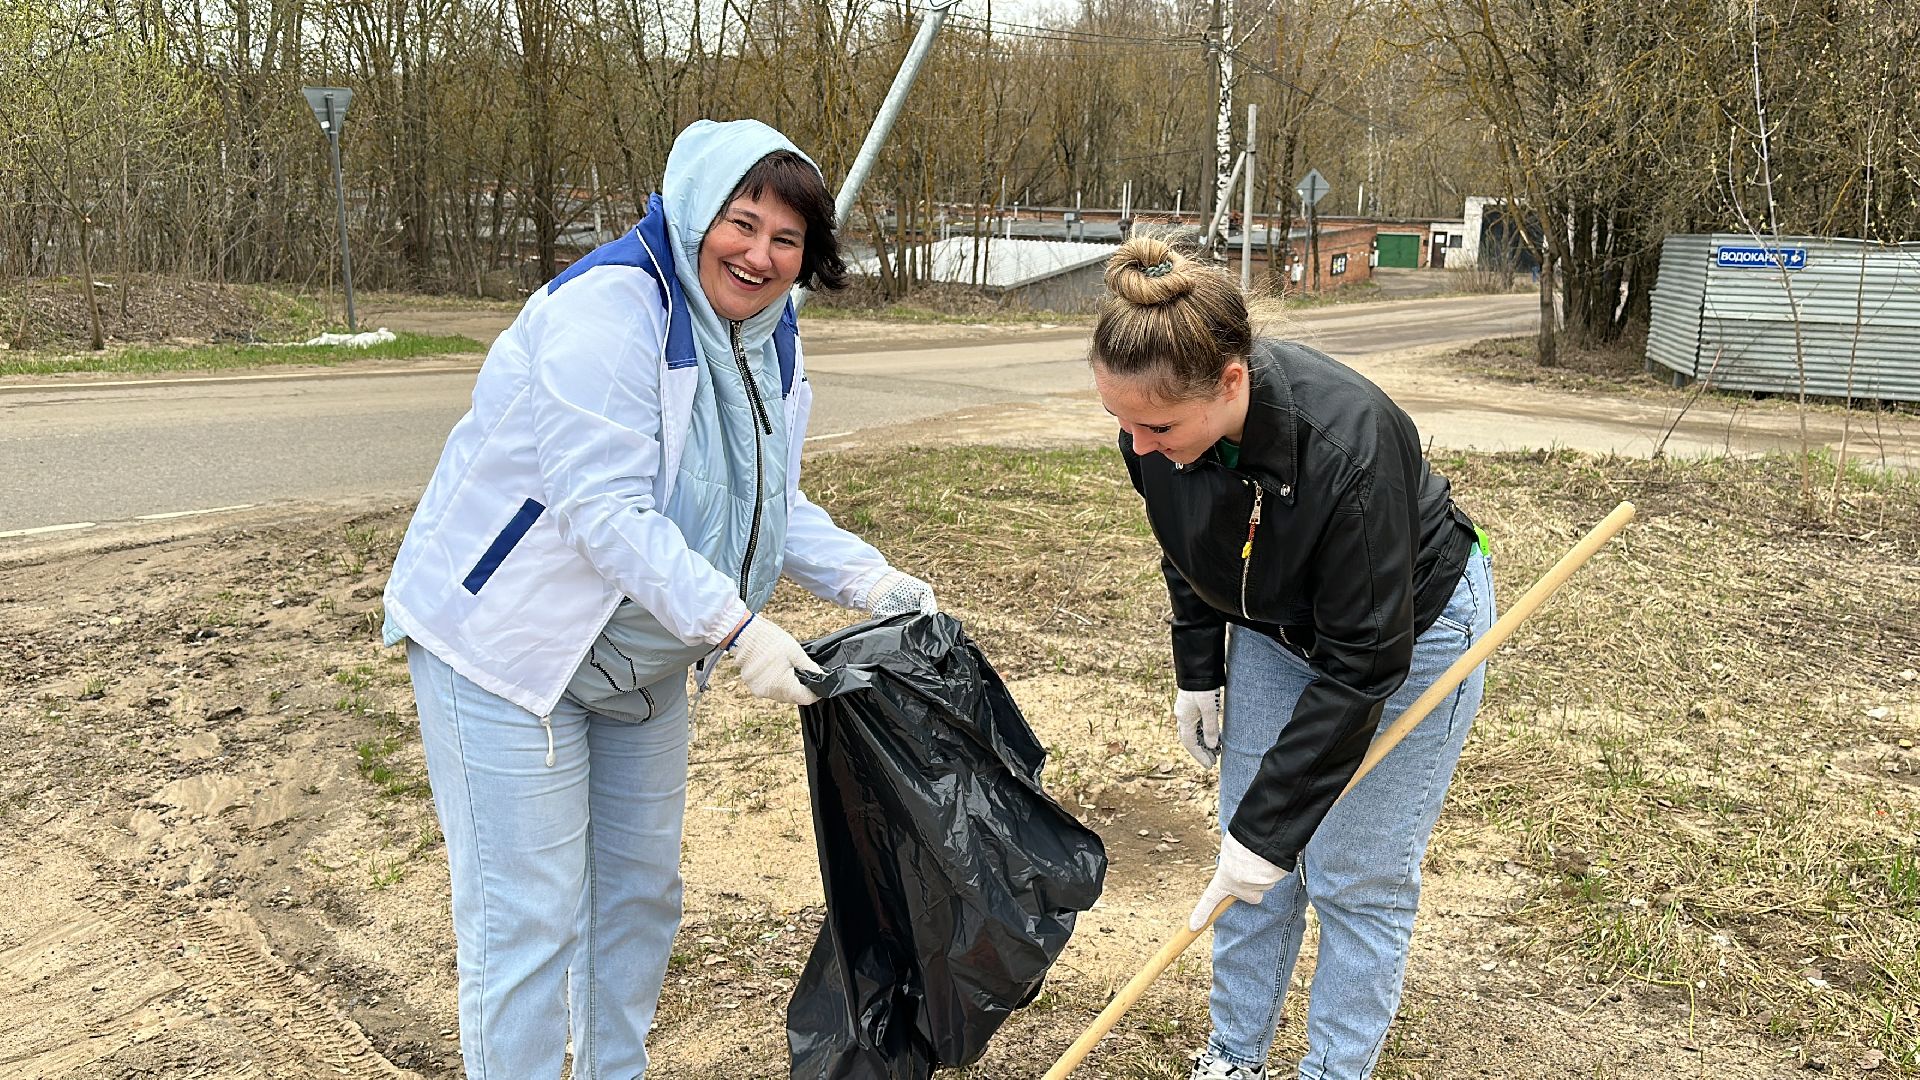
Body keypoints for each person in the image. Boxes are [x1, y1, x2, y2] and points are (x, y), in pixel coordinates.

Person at [380, 118, 936, 1078]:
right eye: (742, 222)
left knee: (638, 898)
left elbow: (764, 494)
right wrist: (737, 628)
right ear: (693, 214)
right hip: (510, 652)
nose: (759, 254)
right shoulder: (608, 313)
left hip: (641, 660)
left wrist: (871, 578)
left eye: (786, 238)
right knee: (528, 921)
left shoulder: (769, 340)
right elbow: (605, 511)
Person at [1087, 236, 1496, 1080]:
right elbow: (1186, 547)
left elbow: (1362, 664)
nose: (1137, 443)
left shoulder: (1349, 445)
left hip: (1406, 636)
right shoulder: (1154, 432)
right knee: (1248, 867)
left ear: (1231, 382)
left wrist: (1274, 831)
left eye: (1156, 426)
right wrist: (1199, 669)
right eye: (1120, 421)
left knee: (1356, 878)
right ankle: (1234, 1059)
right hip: (1278, 629)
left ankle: (1331, 1072)